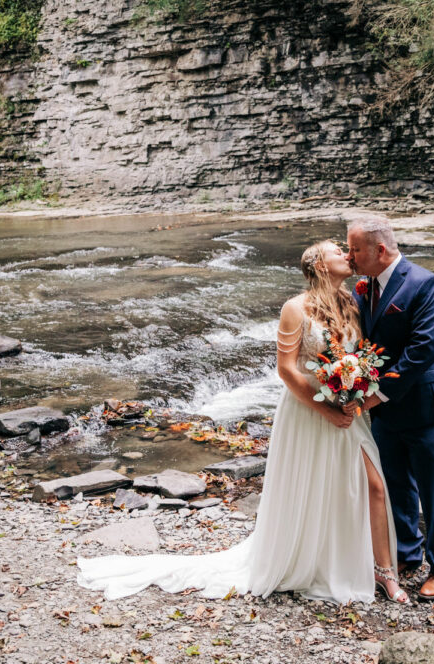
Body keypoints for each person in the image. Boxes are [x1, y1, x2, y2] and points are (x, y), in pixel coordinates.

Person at [76, 240, 407, 604]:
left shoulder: (353, 302)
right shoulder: (294, 309)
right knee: (316, 487)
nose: (347, 253)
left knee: (372, 485)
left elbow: (358, 357)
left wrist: (354, 396)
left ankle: (384, 571)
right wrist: (326, 409)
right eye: (337, 250)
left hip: (348, 410)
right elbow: (286, 369)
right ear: (318, 264)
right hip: (308, 412)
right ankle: (312, 561)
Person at [345, 215, 434, 601]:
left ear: (379, 250)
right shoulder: (365, 287)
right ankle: (407, 552)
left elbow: (422, 350)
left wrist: (376, 395)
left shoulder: (424, 282)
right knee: (394, 481)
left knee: (433, 486)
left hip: (424, 404)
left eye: (355, 249)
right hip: (384, 410)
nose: (350, 257)